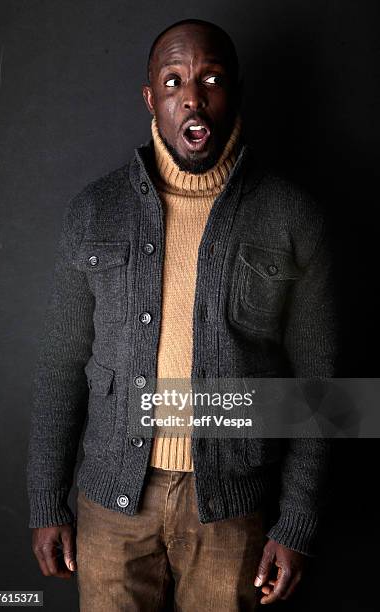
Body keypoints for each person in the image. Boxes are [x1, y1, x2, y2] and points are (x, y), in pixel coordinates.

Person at [27, 18, 338, 611]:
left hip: (233, 512)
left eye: (211, 79)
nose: (191, 95)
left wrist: (297, 521)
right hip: (110, 507)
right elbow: (59, 367)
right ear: (152, 98)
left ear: (235, 93)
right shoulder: (95, 212)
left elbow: (322, 388)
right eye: (173, 81)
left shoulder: (293, 217)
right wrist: (46, 501)